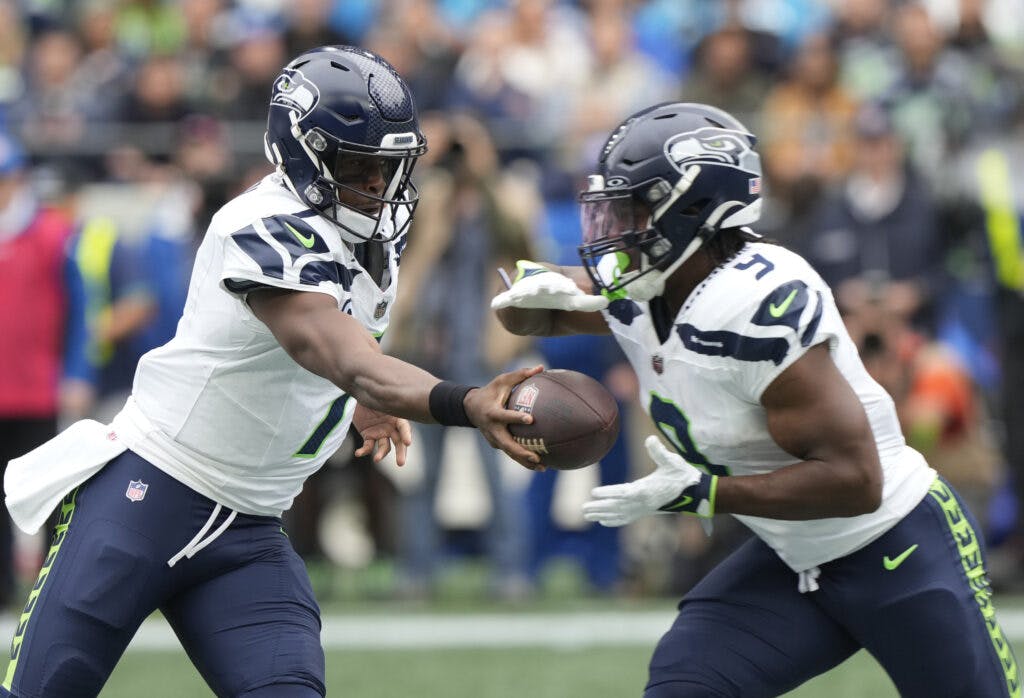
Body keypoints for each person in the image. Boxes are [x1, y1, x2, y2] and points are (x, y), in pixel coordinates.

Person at [1, 45, 541, 698]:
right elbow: (334, 349)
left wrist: (359, 397)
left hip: (249, 527)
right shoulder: (262, 224)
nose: (378, 185)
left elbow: (350, 340)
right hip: (146, 499)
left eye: (388, 166)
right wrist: (461, 401)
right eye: (359, 165)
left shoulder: (371, 235)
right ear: (302, 152)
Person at [491, 101, 1020, 697]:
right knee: (685, 686)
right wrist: (525, 292)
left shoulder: (755, 304)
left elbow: (856, 479)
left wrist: (705, 494)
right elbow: (546, 310)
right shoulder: (652, 284)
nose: (615, 228)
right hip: (790, 554)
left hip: (895, 542)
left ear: (693, 210)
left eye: (633, 209)